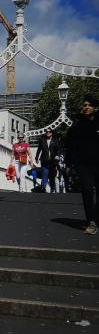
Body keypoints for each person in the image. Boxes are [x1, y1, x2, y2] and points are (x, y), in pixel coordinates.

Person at [65, 94, 99, 235]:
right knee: (87, 192)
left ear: (95, 108)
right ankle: (91, 221)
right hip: (84, 164)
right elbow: (70, 146)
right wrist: (69, 164)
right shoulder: (77, 125)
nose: (86, 107)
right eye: (84, 105)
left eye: (89, 105)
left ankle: (96, 217)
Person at [35, 128, 60, 193]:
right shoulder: (42, 140)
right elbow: (39, 149)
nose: (48, 133)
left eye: (49, 132)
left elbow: (59, 149)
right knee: (45, 173)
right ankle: (43, 187)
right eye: (46, 132)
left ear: (51, 133)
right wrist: (36, 157)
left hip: (52, 160)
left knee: (52, 175)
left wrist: (57, 155)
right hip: (44, 159)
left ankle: (52, 187)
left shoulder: (56, 140)